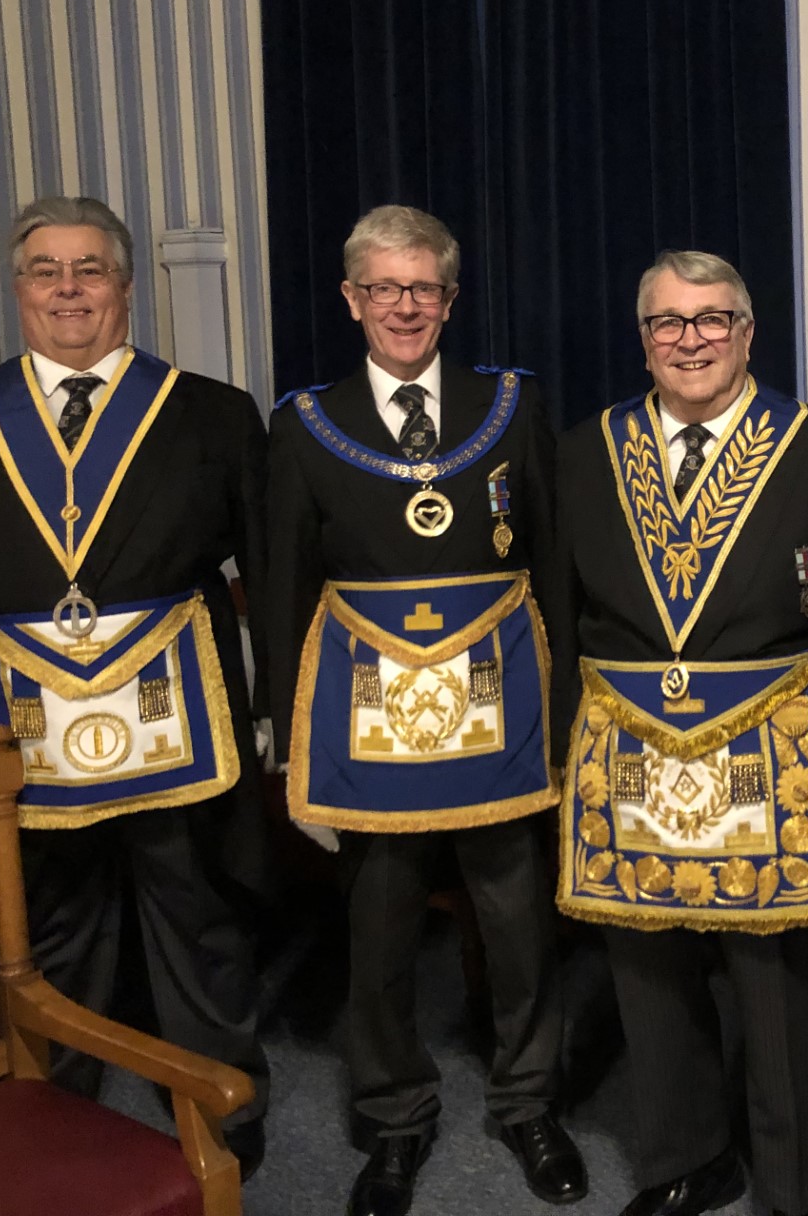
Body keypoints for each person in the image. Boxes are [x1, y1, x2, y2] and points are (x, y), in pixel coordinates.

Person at [0, 195, 270, 1173]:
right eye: (47, 270)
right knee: (48, 923)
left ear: (124, 287)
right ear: (18, 288)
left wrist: (279, 710)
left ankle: (223, 1108)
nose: (68, 289)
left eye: (90, 269)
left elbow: (271, 576)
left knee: (195, 916)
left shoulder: (210, 412)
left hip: (178, 715)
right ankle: (59, 1107)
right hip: (21, 726)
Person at [262, 205, 586, 1215]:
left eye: (423, 288)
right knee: (381, 932)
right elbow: (281, 589)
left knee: (519, 922)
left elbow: (557, 567)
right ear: (353, 300)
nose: (405, 306)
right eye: (384, 288)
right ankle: (393, 1120)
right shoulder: (304, 424)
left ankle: (528, 1103)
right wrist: (286, 734)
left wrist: (568, 707)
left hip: (502, 712)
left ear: (449, 301)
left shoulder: (510, 405)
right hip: (369, 724)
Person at [552, 250, 808, 1216]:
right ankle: (685, 1160)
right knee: (649, 969)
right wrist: (568, 756)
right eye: (667, 323)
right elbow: (563, 615)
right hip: (629, 746)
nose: (690, 340)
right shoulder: (583, 451)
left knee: (781, 986)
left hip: (780, 748)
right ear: (643, 341)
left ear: (747, 332)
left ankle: (790, 1188)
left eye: (711, 320)